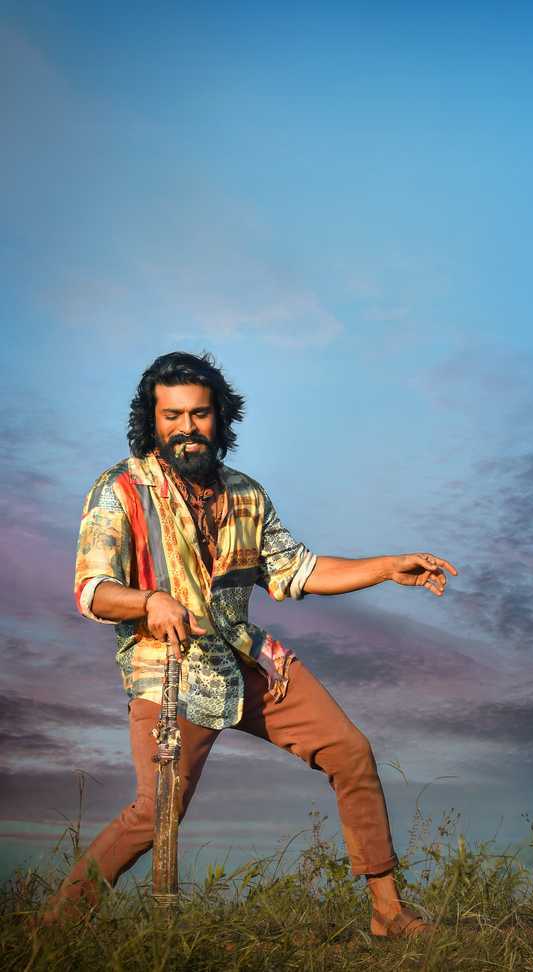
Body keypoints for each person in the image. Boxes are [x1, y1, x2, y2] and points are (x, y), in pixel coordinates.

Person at [45, 351, 457, 937]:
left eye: (199, 414)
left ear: (219, 417)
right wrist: (149, 601)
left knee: (350, 752)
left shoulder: (246, 494)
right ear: (152, 420)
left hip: (250, 661)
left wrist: (387, 567)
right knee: (156, 813)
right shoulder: (121, 489)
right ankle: (53, 929)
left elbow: (300, 568)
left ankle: (388, 914)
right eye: (171, 416)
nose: (186, 428)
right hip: (170, 670)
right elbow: (92, 590)